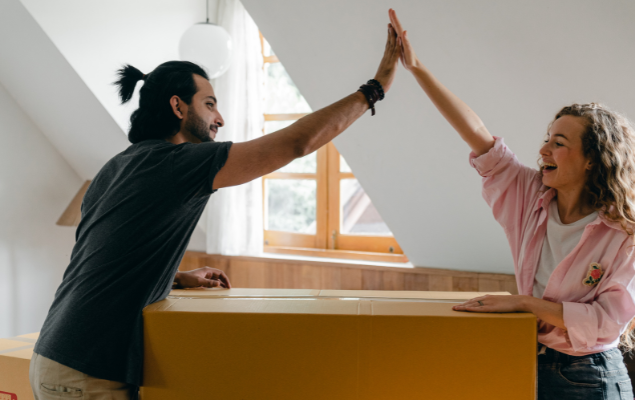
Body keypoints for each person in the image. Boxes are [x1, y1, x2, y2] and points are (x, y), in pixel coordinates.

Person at [29, 22, 401, 399]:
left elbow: (104, 258)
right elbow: (297, 143)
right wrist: (376, 89)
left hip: (57, 353)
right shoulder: (181, 162)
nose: (219, 118)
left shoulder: (119, 165)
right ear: (177, 105)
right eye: (209, 104)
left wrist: (175, 275)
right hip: (86, 372)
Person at [388, 9, 635, 400]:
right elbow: (479, 136)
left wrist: (523, 303)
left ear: (592, 160)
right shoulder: (528, 196)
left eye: (559, 143)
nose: (543, 150)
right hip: (529, 362)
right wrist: (417, 69)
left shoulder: (622, 235)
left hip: (591, 377)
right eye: (547, 138)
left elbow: (606, 323)